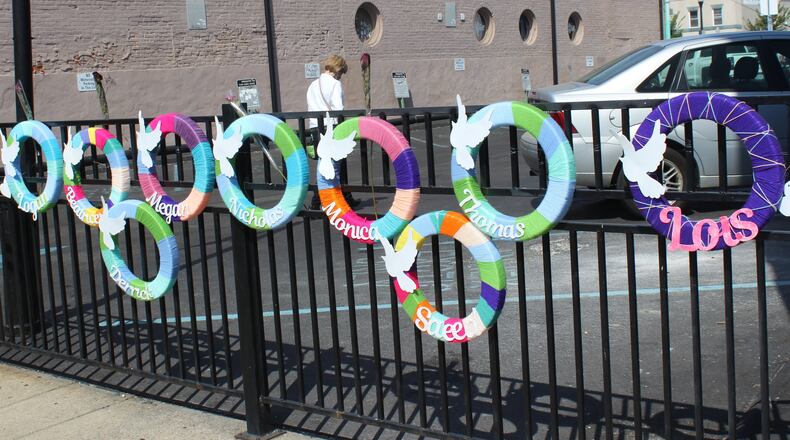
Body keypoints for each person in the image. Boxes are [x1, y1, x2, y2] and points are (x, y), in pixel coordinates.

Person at [306, 55, 360, 209]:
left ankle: (338, 198)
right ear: (338, 69)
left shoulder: (313, 85)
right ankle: (324, 201)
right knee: (336, 165)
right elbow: (338, 109)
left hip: (315, 128)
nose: (341, 76)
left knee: (324, 165)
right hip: (331, 128)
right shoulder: (335, 84)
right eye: (342, 72)